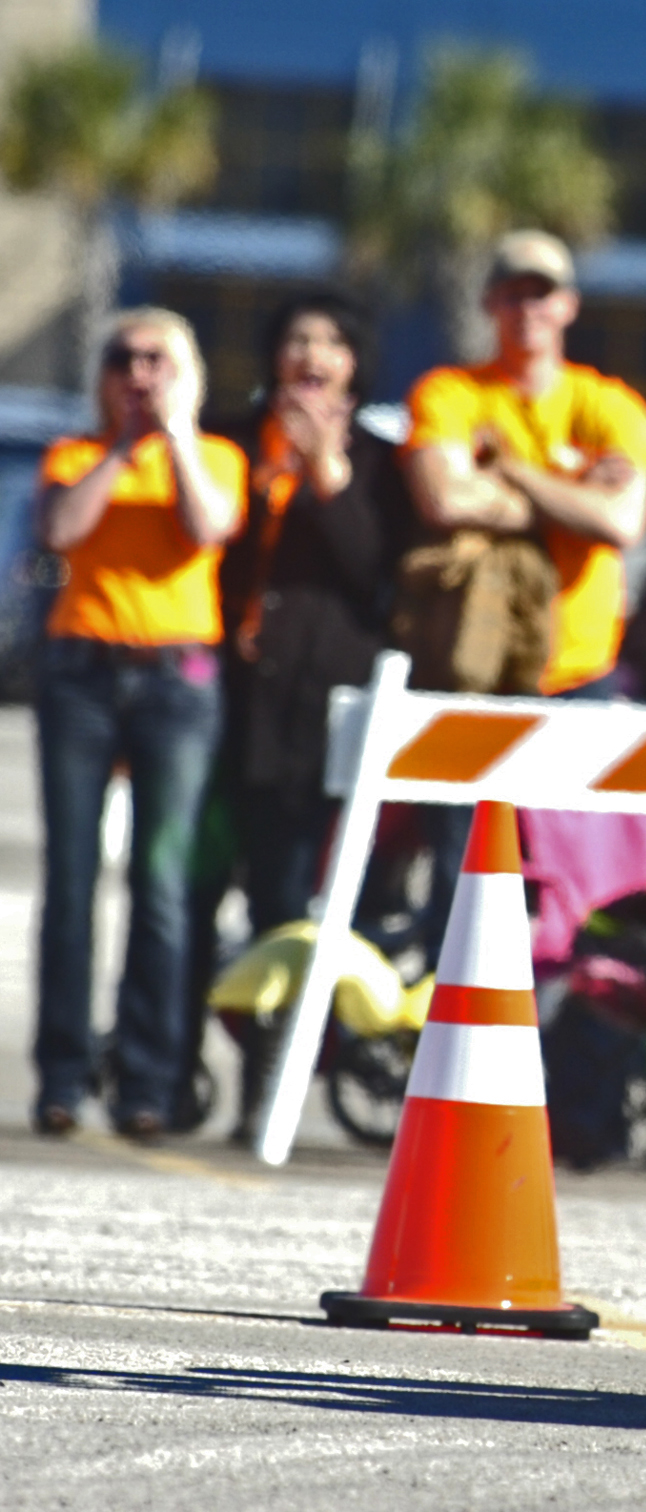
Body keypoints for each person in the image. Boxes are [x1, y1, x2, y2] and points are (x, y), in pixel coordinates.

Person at [186, 290, 416, 1137]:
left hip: (319, 719)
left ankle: (267, 1084)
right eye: (296, 340)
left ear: (353, 364)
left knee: (286, 905)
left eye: (330, 342)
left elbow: (373, 579)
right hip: (224, 704)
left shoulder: (384, 462)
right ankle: (170, 1073)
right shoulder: (228, 441)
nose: (312, 356)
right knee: (192, 890)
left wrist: (327, 474)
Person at [401, 229, 646, 962]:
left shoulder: (610, 405)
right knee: (464, 877)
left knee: (573, 886)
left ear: (568, 306)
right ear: (489, 301)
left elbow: (620, 521)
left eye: (542, 292)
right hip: (475, 676)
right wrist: (567, 490)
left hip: (578, 673)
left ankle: (559, 1058)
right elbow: (444, 499)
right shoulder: (451, 391)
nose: (527, 307)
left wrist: (509, 470)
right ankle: (444, 1046)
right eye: (512, 291)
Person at [31, 309, 247, 1140]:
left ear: (185, 371)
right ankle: (61, 1072)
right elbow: (60, 531)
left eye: (158, 359)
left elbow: (208, 527)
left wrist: (176, 432)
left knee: (161, 886)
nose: (139, 373)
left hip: (176, 679)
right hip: (83, 673)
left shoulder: (216, 455)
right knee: (72, 882)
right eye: (124, 358)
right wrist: (124, 445)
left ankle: (149, 1080)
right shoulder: (76, 454)